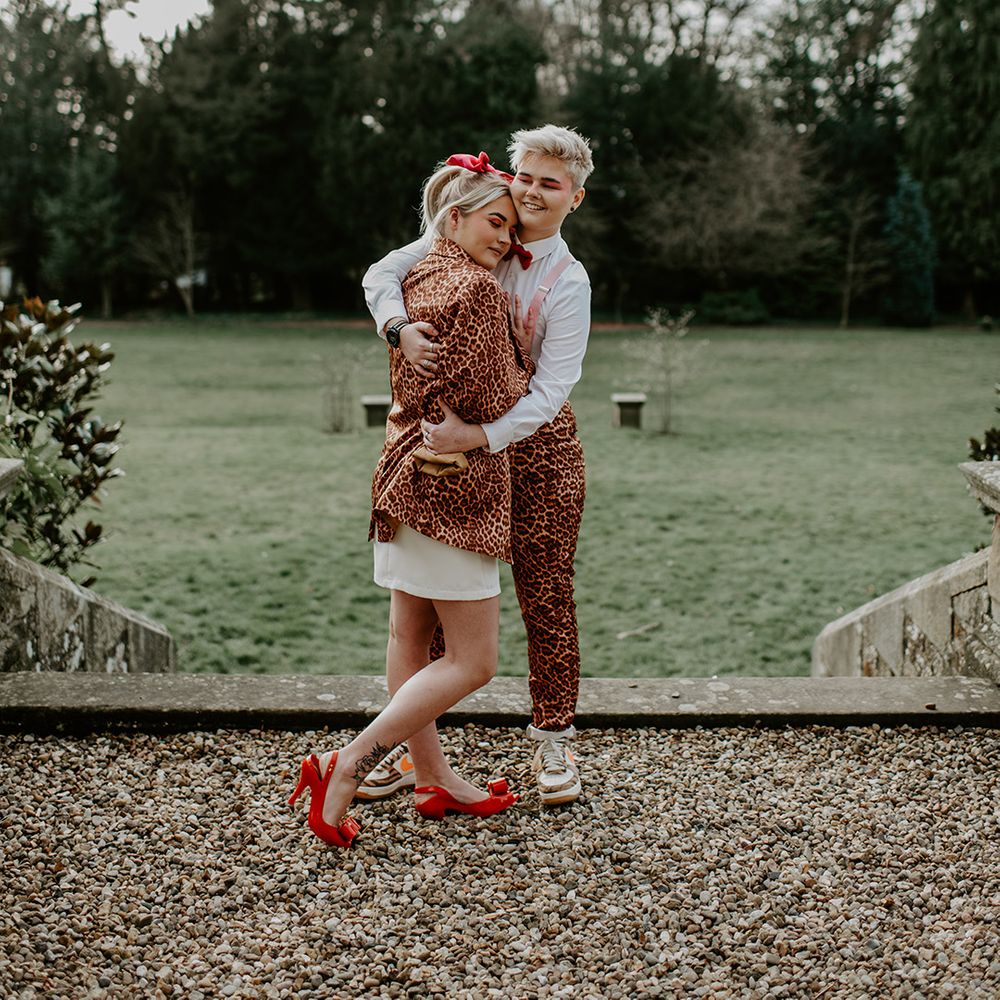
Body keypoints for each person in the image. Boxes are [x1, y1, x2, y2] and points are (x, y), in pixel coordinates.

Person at [289, 156, 532, 847]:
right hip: (455, 494)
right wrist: (522, 363)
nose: (504, 239)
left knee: (409, 639)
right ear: (454, 218)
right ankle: (348, 762)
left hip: (402, 479)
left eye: (512, 230)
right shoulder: (477, 290)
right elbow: (494, 396)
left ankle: (432, 778)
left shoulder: (417, 276)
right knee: (475, 661)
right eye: (495, 222)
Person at [361, 125, 594, 807]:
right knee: (438, 603)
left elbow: (552, 391)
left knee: (545, 596)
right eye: (526, 176)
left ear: (575, 198)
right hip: (457, 452)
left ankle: (553, 741)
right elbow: (381, 274)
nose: (532, 192)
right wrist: (397, 328)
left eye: (550, 183)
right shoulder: (475, 224)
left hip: (540, 453)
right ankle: (415, 750)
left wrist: (480, 435)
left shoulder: (569, 281)